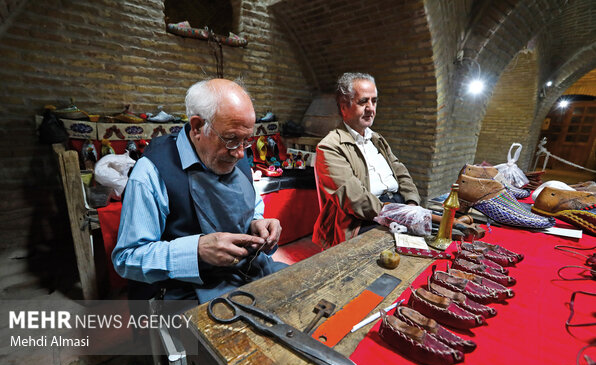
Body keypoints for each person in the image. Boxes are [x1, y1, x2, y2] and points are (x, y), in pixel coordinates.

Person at [112, 79, 287, 303]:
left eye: (247, 140)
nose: (240, 153)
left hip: (248, 271)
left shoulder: (237, 155)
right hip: (187, 289)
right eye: (232, 139)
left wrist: (257, 223)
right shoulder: (151, 172)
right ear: (197, 128)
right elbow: (126, 259)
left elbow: (250, 209)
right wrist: (196, 250)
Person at [313, 72, 420, 249]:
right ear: (344, 107)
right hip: (364, 220)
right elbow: (354, 199)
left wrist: (412, 203)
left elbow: (401, 173)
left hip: (397, 207)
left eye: (374, 101)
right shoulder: (330, 146)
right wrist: (400, 213)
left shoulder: (377, 139)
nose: (371, 108)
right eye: (363, 102)